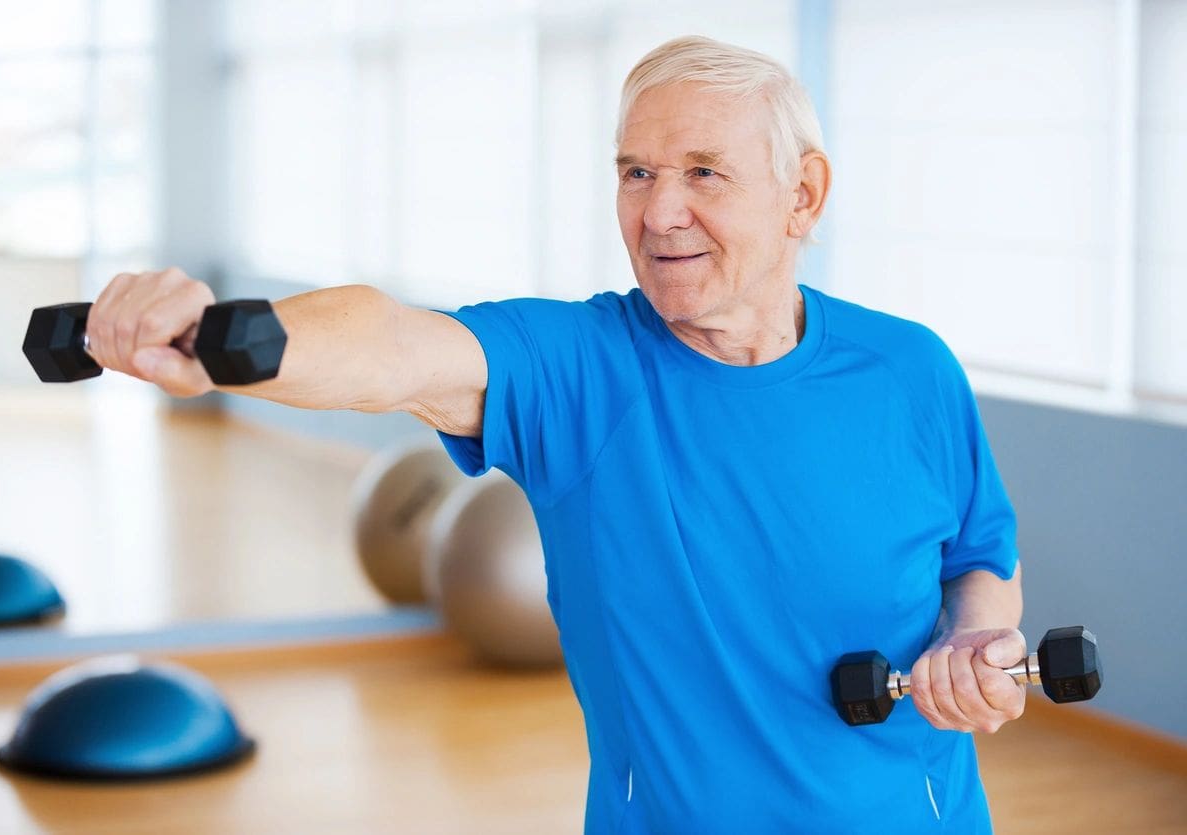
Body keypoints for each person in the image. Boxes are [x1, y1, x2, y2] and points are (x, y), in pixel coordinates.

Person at [85, 36, 1024, 834]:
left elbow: (981, 553)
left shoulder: (909, 370)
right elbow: (396, 342)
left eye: (704, 172)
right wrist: (223, 343)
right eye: (636, 173)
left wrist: (975, 645)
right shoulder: (584, 370)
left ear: (802, 195)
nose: (659, 212)